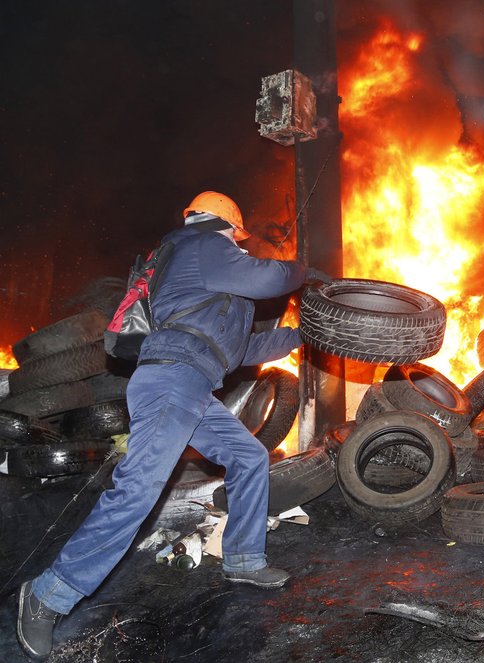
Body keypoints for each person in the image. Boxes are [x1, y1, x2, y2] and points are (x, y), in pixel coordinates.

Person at [17, 191, 326, 659]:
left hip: (193, 384)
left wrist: (307, 334)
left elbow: (241, 352)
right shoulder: (200, 245)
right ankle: (46, 596)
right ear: (228, 227)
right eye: (238, 237)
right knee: (138, 490)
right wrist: (300, 270)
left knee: (247, 456)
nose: (240, 244)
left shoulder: (211, 285)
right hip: (171, 379)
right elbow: (267, 278)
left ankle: (243, 558)